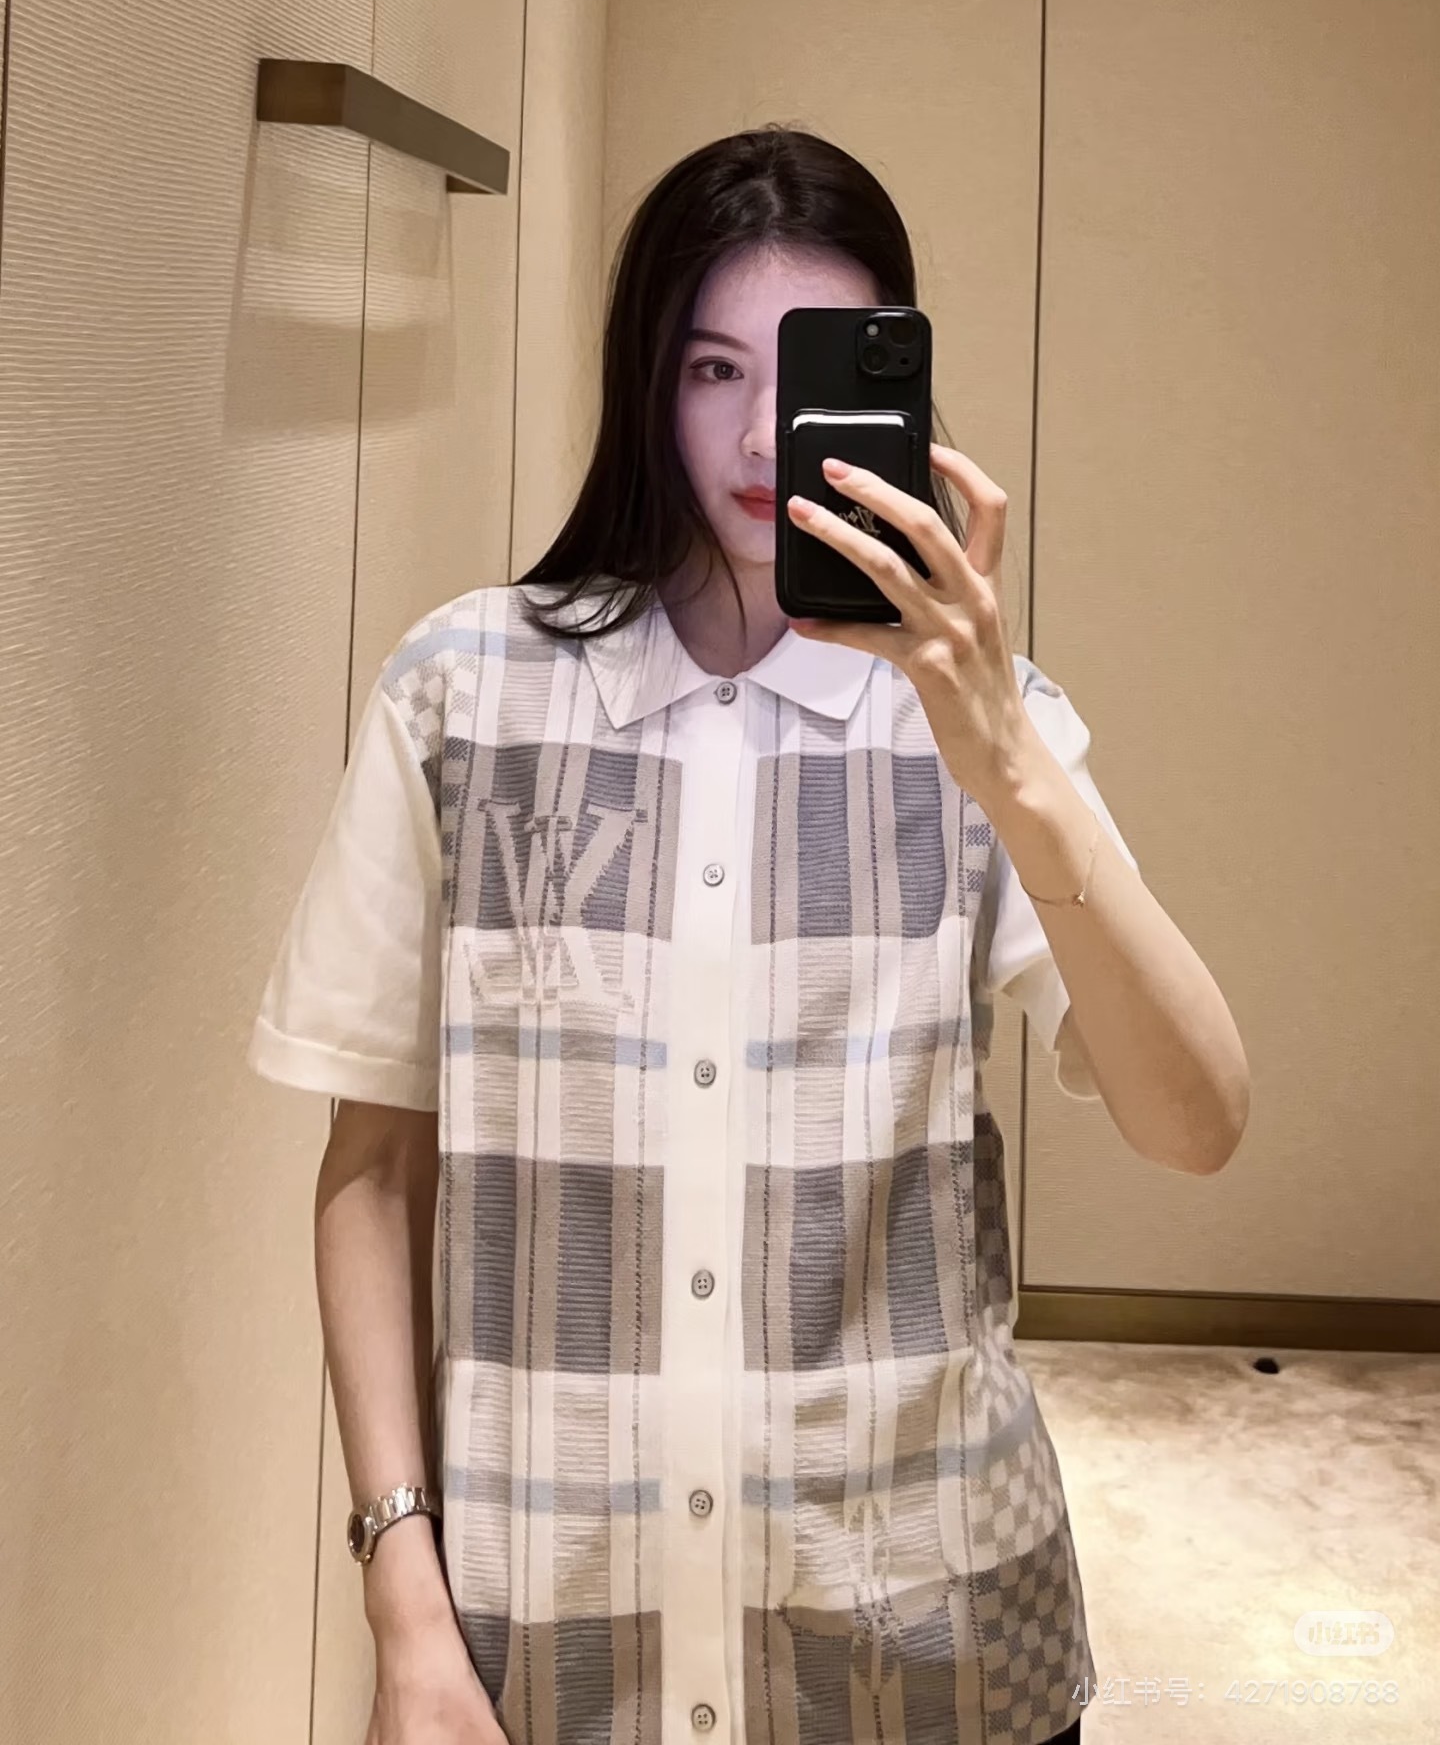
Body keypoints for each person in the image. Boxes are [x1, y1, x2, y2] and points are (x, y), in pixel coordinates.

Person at [249, 125, 1247, 1744]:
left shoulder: (974, 724)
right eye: (715, 368)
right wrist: (401, 1595)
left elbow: (1197, 1120)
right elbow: (370, 1172)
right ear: (647, 378)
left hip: (927, 1648)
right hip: (549, 1646)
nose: (766, 431)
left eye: (813, 368)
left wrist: (1007, 763)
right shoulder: (464, 697)